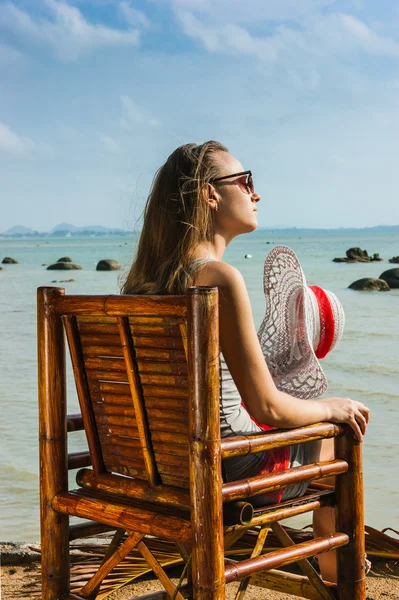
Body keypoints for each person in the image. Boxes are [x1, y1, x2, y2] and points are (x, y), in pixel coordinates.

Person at [122, 140, 370, 583]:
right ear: (209, 194)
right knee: (339, 437)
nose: (256, 193)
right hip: (223, 473)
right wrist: (333, 407)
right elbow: (267, 408)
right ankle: (337, 576)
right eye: (245, 181)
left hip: (151, 469)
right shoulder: (218, 278)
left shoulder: (139, 287)